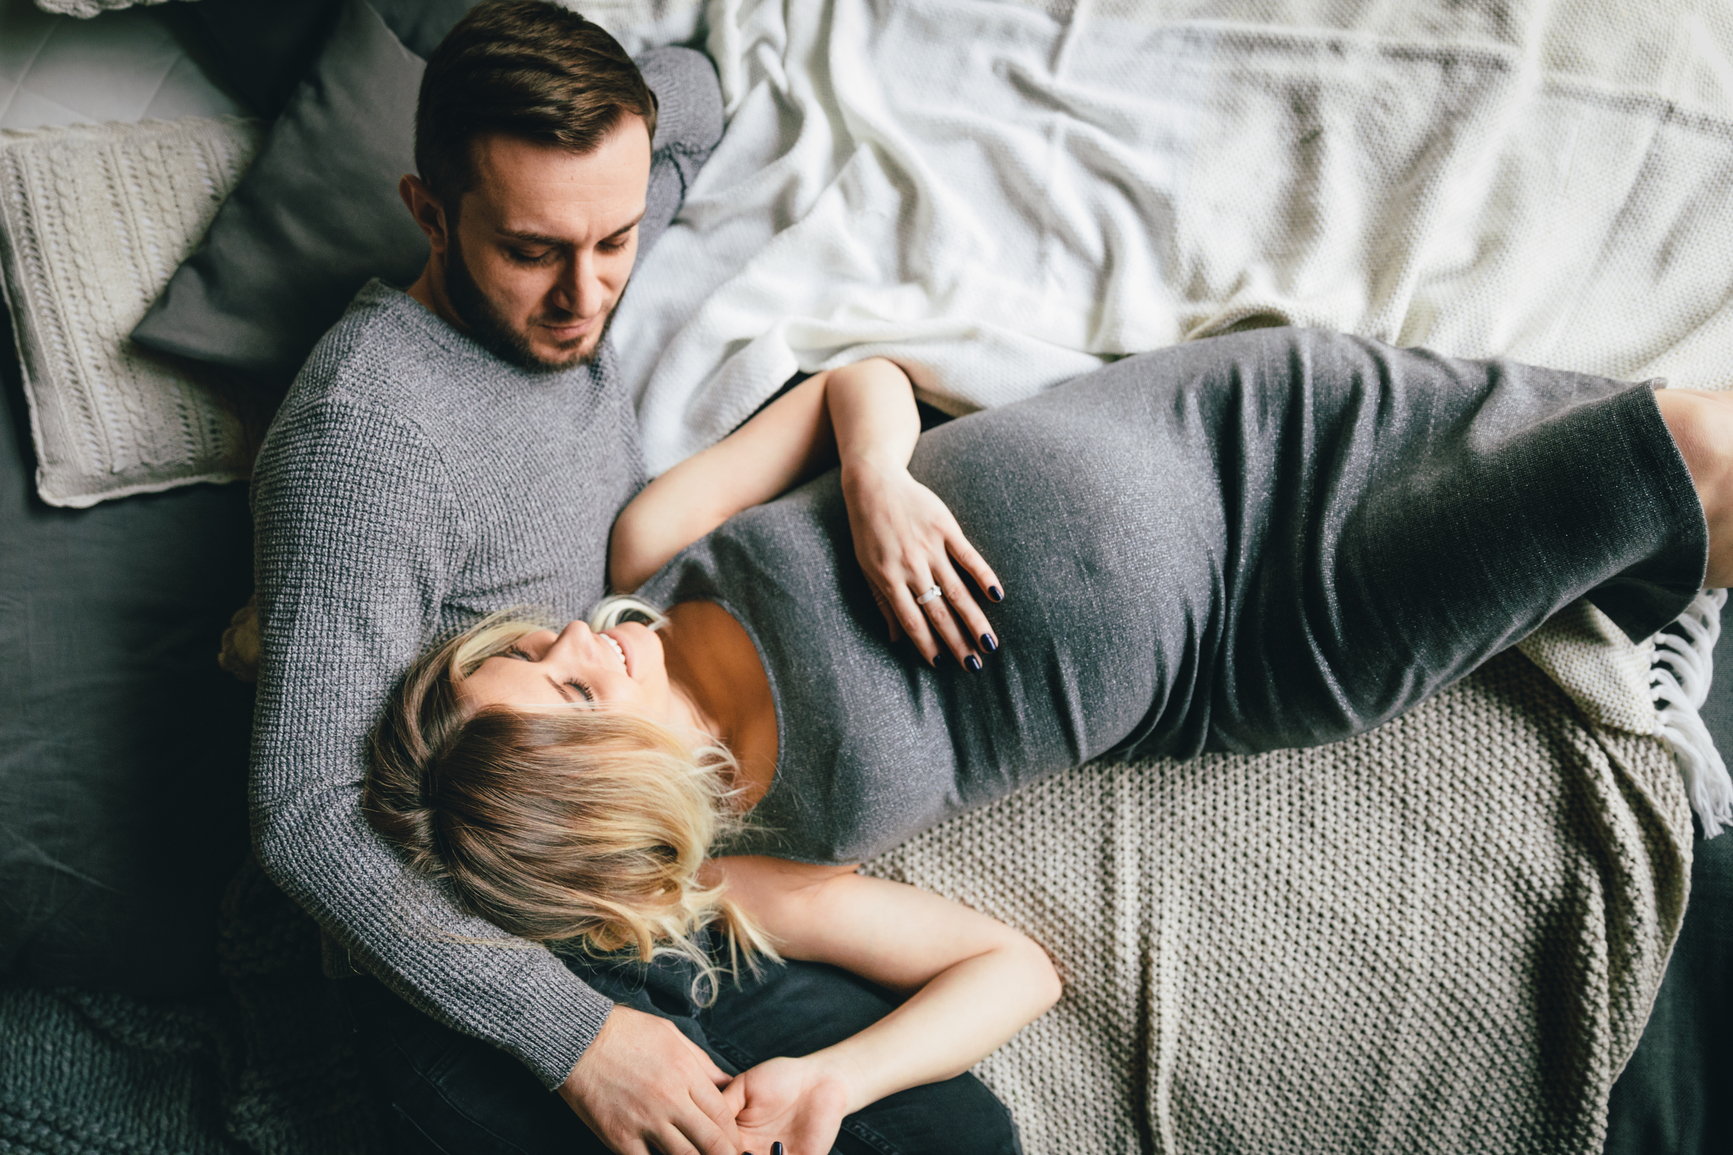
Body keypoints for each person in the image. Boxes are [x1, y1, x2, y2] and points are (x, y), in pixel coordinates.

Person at [366, 327, 1733, 1151]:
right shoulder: (742, 864)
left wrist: (877, 479)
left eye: (534, 651)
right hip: (1272, 636)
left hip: (1246, 419)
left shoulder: (656, 551)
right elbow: (1010, 965)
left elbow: (861, 379)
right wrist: (836, 1074)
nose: (568, 639)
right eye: (563, 689)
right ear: (596, 783)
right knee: (1683, 451)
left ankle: (1654, 596)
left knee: (1682, 490)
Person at [248, 4, 1019, 1153]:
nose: (585, 294)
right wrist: (575, 1043)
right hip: (489, 936)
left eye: (614, 241)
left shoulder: (573, 225)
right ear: (430, 213)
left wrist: (617, 120)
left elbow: (692, 98)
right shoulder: (365, 441)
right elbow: (302, 820)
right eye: (530, 251)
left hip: (626, 852)